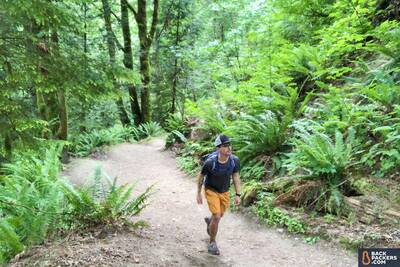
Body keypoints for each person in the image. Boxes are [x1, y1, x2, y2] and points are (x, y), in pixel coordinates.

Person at [196, 134, 241, 255]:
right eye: (225, 146)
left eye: (229, 145)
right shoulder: (210, 162)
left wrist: (238, 194)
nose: (229, 148)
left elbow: (236, 177)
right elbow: (201, 177)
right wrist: (198, 193)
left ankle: (210, 222)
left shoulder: (234, 160)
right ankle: (212, 243)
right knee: (217, 216)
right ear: (218, 148)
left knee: (219, 215)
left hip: (224, 191)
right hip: (211, 190)